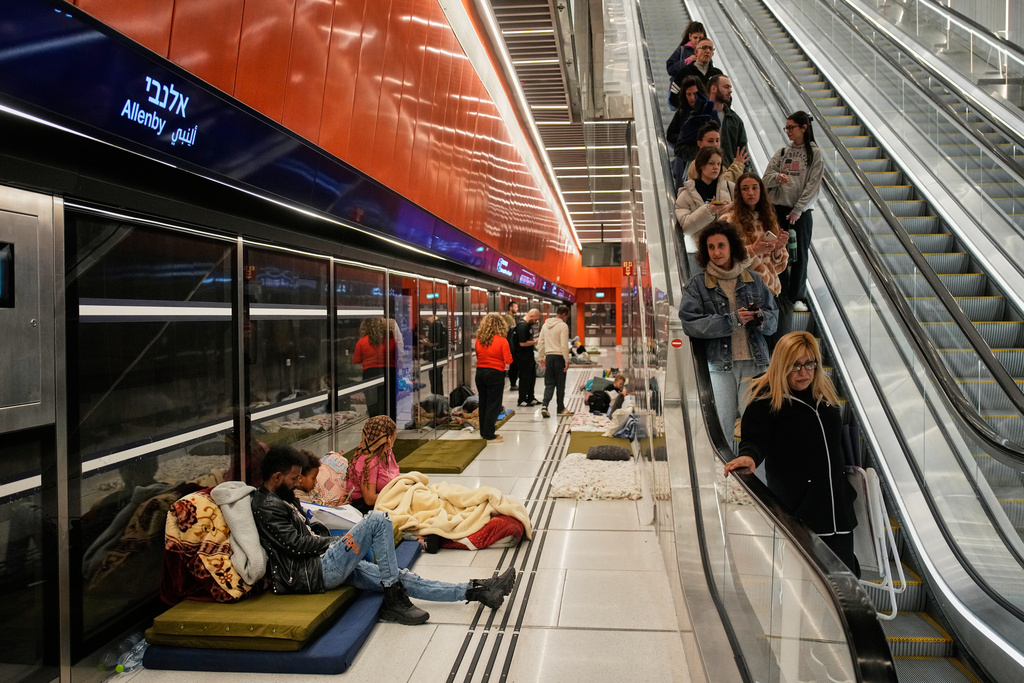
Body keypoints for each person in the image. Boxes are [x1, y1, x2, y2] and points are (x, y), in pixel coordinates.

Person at [251, 445, 517, 625]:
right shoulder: (267, 506)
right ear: (276, 477)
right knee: (377, 519)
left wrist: (335, 540)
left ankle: (478, 591)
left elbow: (306, 533)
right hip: (314, 572)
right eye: (294, 478)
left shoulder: (282, 496)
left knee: (400, 578)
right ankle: (393, 597)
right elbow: (297, 545)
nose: (298, 483)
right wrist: (338, 542)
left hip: (321, 563)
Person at [724, 332, 859, 575]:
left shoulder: (823, 393)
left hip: (837, 509)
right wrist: (749, 457)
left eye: (809, 364)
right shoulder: (766, 402)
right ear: (781, 365)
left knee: (846, 581)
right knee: (804, 582)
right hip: (799, 510)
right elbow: (755, 440)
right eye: (795, 365)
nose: (804, 372)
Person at [679, 222, 777, 441]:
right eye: (711, 247)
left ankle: (755, 475)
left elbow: (773, 323)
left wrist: (760, 319)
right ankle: (722, 473)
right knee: (719, 429)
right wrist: (732, 320)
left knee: (756, 428)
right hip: (718, 367)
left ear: (732, 246)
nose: (716, 252)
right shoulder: (697, 285)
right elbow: (690, 323)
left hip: (755, 364)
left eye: (721, 245)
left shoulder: (754, 280)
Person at [763, 111, 824, 313]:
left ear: (803, 128)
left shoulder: (814, 154)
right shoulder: (782, 152)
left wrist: (799, 209)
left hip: (801, 213)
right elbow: (766, 178)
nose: (788, 131)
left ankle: (798, 296)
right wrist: (776, 178)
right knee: (777, 251)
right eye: (786, 128)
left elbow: (813, 185)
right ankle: (780, 292)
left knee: (799, 254)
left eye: (791, 127)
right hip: (778, 209)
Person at [722, 172, 791, 348]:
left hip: (772, 293)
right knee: (757, 352)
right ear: (739, 193)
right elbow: (724, 260)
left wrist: (777, 249)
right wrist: (753, 250)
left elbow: (779, 267)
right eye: (745, 189)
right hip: (746, 296)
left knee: (778, 351)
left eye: (755, 188)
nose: (751, 193)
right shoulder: (728, 221)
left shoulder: (769, 220)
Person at [676, 75, 749, 171]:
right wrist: (704, 150)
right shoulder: (697, 116)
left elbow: (743, 154)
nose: (730, 91)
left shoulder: (735, 120)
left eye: (730, 87)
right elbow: (680, 149)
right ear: (714, 89)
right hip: (700, 176)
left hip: (727, 178)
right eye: (726, 87)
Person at [674, 146, 735, 253]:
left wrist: (730, 207)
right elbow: (685, 228)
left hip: (729, 250)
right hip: (702, 252)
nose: (716, 167)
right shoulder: (686, 194)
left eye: (719, 164)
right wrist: (709, 210)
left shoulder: (731, 188)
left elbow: (745, 210)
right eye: (711, 163)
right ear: (701, 164)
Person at [344, 416, 400, 513]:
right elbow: (369, 500)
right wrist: (399, 494)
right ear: (389, 438)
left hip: (384, 502)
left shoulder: (388, 453)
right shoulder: (368, 461)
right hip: (364, 509)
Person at [475, 312, 513, 443]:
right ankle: (489, 434)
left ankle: (483, 432)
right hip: (495, 374)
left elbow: (478, 355)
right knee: (494, 404)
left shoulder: (479, 340)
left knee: (483, 403)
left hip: (480, 373)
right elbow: (508, 359)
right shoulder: (502, 341)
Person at [353, 317, 396, 418]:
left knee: (373, 403)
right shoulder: (390, 339)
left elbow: (356, 359)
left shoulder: (362, 341)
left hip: (370, 373)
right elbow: (397, 354)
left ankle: (375, 425)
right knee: (389, 401)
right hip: (389, 372)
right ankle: (390, 426)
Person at [682, 121, 749, 185]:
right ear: (700, 143)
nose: (715, 144)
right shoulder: (696, 164)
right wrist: (737, 166)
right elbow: (719, 185)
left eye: (717, 140)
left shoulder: (721, 161)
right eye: (710, 141)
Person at [537, 306, 573, 419]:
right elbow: (564, 345)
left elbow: (540, 342)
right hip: (559, 357)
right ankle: (560, 408)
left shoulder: (546, 325)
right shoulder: (563, 326)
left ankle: (544, 405)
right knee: (560, 384)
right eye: (567, 316)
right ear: (564, 314)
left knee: (549, 384)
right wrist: (567, 360)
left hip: (549, 357)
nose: (567, 318)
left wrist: (541, 357)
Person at [669, 38, 723, 105]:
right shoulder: (684, 72)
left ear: (712, 54)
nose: (707, 51)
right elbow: (673, 97)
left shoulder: (717, 74)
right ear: (696, 52)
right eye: (704, 47)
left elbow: (726, 96)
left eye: (710, 48)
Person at [513, 309, 541, 406]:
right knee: (524, 378)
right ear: (532, 316)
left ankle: (530, 397)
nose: (536, 322)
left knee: (531, 377)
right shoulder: (522, 326)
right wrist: (535, 342)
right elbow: (522, 343)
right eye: (536, 319)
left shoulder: (528, 325)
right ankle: (522, 399)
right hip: (522, 357)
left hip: (529, 357)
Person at [421, 314, 448, 396]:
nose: (427, 320)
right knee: (438, 377)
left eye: (427, 318)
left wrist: (426, 343)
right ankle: (439, 397)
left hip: (436, 356)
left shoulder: (435, 325)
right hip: (441, 355)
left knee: (434, 378)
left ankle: (436, 397)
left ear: (432, 316)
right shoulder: (441, 324)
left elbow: (435, 343)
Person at [503, 301, 520, 390]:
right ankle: (513, 384)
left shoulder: (511, 317)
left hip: (511, 344)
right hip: (511, 345)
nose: (517, 309)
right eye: (515, 307)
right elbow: (511, 332)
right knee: (513, 365)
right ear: (511, 308)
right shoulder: (508, 317)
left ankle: (513, 383)